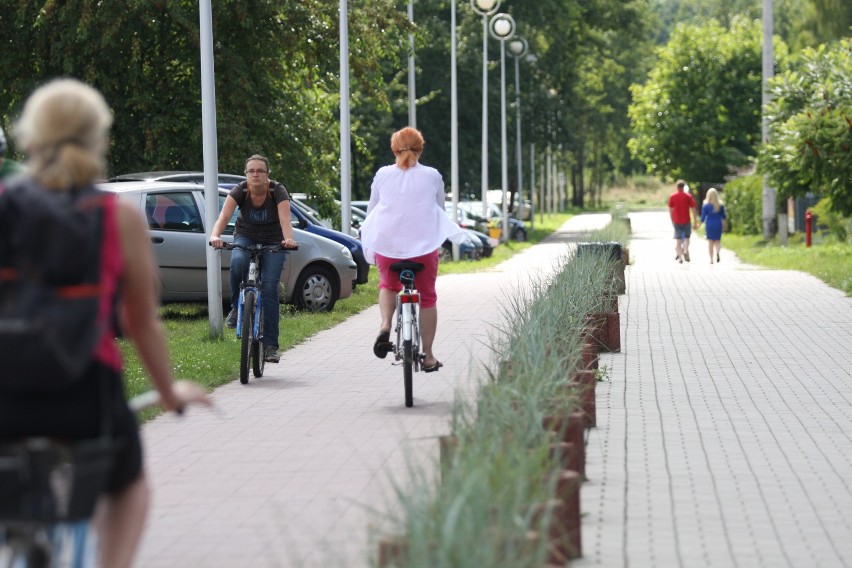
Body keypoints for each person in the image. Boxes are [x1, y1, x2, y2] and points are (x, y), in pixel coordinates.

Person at [0, 79, 211, 568]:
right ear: (98, 140)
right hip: (85, 396)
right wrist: (168, 392)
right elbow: (141, 322)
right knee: (129, 484)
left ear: (30, 140)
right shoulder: (116, 217)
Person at [359, 126, 466, 372]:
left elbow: (372, 212)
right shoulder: (432, 175)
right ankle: (428, 355)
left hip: (388, 247)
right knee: (427, 297)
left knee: (388, 285)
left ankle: (386, 325)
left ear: (394, 149)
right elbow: (438, 211)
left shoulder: (383, 174)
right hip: (424, 249)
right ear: (420, 149)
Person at [209, 154, 298, 363]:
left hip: (274, 240)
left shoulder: (277, 191)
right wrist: (215, 236)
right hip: (245, 236)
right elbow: (223, 217)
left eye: (260, 171)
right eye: (251, 171)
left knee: (268, 289)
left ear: (267, 174)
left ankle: (270, 346)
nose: (255, 174)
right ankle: (234, 308)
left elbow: (285, 219)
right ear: (246, 174)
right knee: (238, 262)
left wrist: (288, 240)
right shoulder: (240, 191)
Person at [668, 180, 698, 263]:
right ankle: (685, 249)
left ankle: (680, 258)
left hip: (676, 220)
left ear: (677, 187)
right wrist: (695, 221)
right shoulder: (688, 196)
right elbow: (693, 209)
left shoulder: (672, 196)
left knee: (678, 239)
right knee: (687, 237)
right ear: (683, 187)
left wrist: (672, 220)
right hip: (686, 220)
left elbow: (671, 209)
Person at [696, 187, 727, 264]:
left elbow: (703, 217)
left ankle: (711, 259)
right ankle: (718, 252)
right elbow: (723, 216)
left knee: (710, 242)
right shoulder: (720, 205)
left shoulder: (706, 205)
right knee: (717, 241)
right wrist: (725, 225)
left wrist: (699, 225)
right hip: (718, 224)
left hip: (709, 224)